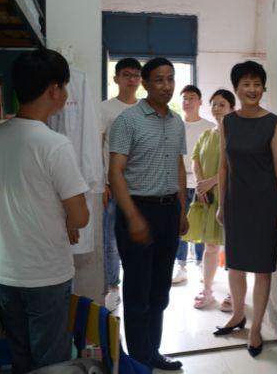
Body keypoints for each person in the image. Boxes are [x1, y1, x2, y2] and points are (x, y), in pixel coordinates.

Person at [0, 49, 90, 373]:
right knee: (51, 363)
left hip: (5, 272)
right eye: (65, 86)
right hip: (45, 273)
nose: (66, 93)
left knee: (21, 356)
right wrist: (69, 219)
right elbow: (81, 217)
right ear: (54, 89)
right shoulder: (54, 144)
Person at [108, 57, 188, 371]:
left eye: (171, 79)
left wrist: (182, 209)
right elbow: (115, 172)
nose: (166, 86)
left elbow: (179, 165)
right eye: (159, 79)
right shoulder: (127, 121)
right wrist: (133, 217)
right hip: (137, 210)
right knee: (138, 292)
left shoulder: (176, 122)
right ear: (145, 83)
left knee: (160, 291)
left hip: (169, 212)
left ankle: (152, 353)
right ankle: (139, 361)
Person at [214, 61, 277, 358]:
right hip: (236, 202)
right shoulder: (227, 122)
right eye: (246, 84)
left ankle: (256, 327)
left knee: (261, 268)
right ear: (236, 88)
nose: (252, 89)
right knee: (235, 264)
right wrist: (221, 204)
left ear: (263, 88)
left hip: (265, 204)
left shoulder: (273, 123)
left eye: (257, 84)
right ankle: (238, 315)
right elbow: (223, 167)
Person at [182, 89, 236, 309]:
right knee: (210, 246)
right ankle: (207, 290)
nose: (217, 108)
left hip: (230, 196)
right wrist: (200, 183)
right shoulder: (206, 134)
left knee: (233, 247)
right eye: (214, 104)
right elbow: (195, 158)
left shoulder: (236, 135)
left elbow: (233, 166)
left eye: (222, 104)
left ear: (232, 108)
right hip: (208, 198)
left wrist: (211, 182)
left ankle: (234, 293)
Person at [99, 57, 142, 311]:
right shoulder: (105, 109)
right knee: (111, 242)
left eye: (136, 75)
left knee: (139, 239)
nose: (132, 79)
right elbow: (97, 147)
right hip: (113, 187)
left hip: (141, 188)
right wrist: (101, 184)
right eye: (126, 74)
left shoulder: (145, 109)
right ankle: (113, 288)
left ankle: (135, 286)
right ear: (116, 78)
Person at [172, 85, 215, 284]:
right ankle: (180, 266)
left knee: (201, 225)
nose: (187, 102)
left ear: (200, 101)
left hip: (202, 183)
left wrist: (205, 182)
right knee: (179, 224)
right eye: (184, 98)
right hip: (179, 183)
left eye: (192, 97)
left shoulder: (209, 127)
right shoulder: (176, 126)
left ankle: (200, 264)